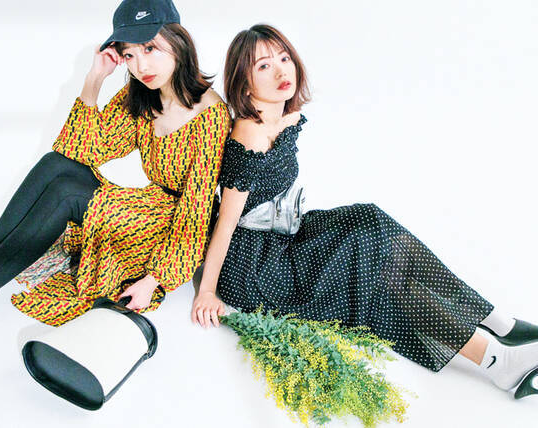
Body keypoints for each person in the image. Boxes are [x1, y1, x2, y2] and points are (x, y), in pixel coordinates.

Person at [191, 23, 538, 399]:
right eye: (263, 66)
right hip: (256, 269)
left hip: (285, 238)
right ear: (244, 84)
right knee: (375, 268)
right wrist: (207, 290)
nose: (280, 71)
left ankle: (495, 324)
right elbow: (227, 222)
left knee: (370, 221)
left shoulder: (280, 117)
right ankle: (496, 359)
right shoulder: (250, 133)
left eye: (284, 58)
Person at [0, 0, 230, 331]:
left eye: (150, 48)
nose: (140, 65)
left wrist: (154, 279)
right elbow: (84, 150)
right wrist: (95, 79)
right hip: (147, 204)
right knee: (54, 164)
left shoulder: (210, 117)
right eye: (129, 54)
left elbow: (196, 215)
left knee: (66, 193)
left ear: (179, 41)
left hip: (169, 227)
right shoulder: (145, 93)